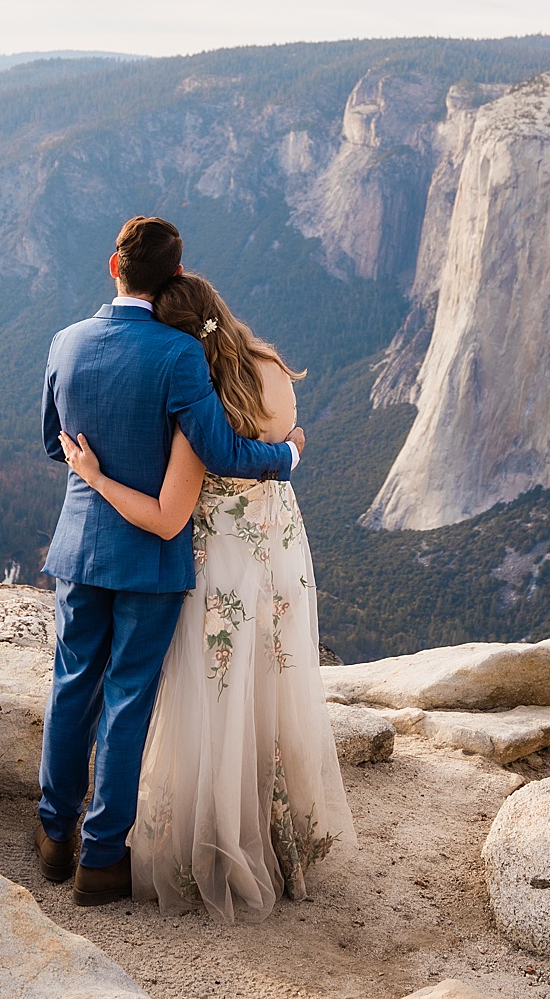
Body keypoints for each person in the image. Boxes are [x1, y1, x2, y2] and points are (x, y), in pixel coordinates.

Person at [59, 269, 356, 920]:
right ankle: (276, 836)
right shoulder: (270, 366)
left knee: (200, 697)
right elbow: (283, 448)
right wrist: (291, 448)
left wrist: (93, 475)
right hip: (274, 554)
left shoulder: (191, 391)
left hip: (210, 558)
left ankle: (205, 838)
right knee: (262, 691)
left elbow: (169, 506)